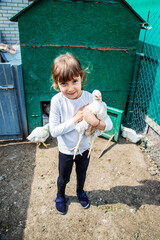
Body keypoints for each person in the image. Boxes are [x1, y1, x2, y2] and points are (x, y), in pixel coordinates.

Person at [49, 52, 113, 215]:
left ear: (81, 78)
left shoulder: (90, 99)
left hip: (85, 149)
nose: (70, 88)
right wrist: (76, 119)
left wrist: (95, 122)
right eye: (64, 83)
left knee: (82, 173)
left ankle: (80, 192)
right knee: (64, 177)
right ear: (56, 83)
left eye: (74, 81)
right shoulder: (57, 101)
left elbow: (109, 124)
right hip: (66, 150)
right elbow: (54, 131)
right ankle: (60, 195)